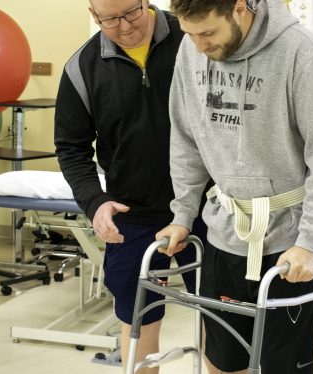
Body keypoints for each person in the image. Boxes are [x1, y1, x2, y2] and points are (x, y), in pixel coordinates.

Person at [156, 0, 313, 372]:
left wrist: (310, 242)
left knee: (283, 366)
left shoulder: (302, 53)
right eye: (190, 34)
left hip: (288, 243)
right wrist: (182, 214)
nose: (199, 46)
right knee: (222, 361)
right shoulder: (190, 49)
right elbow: (185, 138)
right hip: (223, 231)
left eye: (209, 33)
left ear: (240, 8)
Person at [53, 1, 207, 372]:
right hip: (132, 213)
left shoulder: (194, 37)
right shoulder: (82, 68)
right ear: (93, 14)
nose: (124, 27)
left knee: (218, 318)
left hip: (206, 209)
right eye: (109, 20)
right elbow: (71, 148)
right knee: (138, 321)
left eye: (131, 13)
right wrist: (95, 202)